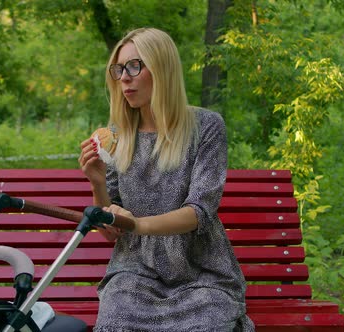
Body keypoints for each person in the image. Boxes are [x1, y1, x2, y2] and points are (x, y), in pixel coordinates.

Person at [78, 27, 255, 332]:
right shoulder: (117, 136)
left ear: (162, 69)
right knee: (115, 320)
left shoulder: (206, 126)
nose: (124, 78)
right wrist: (97, 183)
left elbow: (199, 211)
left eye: (135, 66)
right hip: (135, 271)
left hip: (201, 271)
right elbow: (111, 231)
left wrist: (138, 224)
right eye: (119, 69)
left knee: (208, 324)